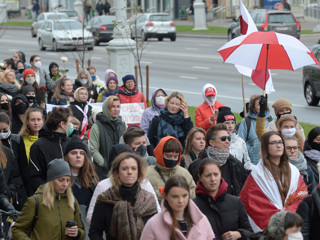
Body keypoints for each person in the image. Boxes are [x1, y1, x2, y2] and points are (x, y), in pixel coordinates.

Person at [239, 131, 308, 232]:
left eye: (280, 142)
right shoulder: (257, 174)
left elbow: (301, 197)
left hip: (293, 223)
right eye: (273, 143)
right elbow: (249, 202)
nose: (278, 145)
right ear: (265, 147)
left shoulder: (294, 171)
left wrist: (288, 214)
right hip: (268, 226)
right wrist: (278, 216)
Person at [89, 152, 158, 240]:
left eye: (133, 169)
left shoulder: (148, 200)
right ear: (117, 173)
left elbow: (155, 231)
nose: (129, 172)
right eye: (124, 169)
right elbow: (94, 232)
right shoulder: (105, 199)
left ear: (139, 173)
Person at [12, 158, 85, 240]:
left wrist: (77, 233)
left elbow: (82, 232)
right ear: (51, 180)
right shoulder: (35, 201)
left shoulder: (72, 202)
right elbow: (17, 229)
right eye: (61, 180)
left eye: (68, 180)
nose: (65, 184)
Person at [194, 158, 253, 240]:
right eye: (208, 175)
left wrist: (239, 233)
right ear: (199, 177)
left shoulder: (235, 202)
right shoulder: (193, 206)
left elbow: (249, 232)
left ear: (221, 174)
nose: (213, 179)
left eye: (216, 174)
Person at [140, 175, 215, 240]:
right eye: (175, 196)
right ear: (165, 196)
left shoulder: (202, 220)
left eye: (184, 195)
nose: (181, 201)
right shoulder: (153, 224)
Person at [188, 124, 247, 196]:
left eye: (229, 138)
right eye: (223, 138)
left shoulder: (235, 164)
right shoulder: (197, 165)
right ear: (211, 143)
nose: (227, 141)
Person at [28, 107, 73, 193]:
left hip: (71, 195)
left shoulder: (70, 143)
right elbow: (34, 176)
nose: (71, 125)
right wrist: (48, 193)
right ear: (62, 124)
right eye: (70, 122)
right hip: (48, 197)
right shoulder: (39, 146)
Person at [64, 136, 98, 240]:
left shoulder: (93, 181)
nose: (78, 156)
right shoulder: (61, 181)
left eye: (81, 153)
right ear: (67, 157)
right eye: (73, 153)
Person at [147, 136, 196, 203]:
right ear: (160, 154)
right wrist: (163, 193)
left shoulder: (184, 173)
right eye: (168, 156)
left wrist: (181, 193)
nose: (172, 159)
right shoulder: (147, 173)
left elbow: (194, 191)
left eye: (175, 156)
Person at [89, 96, 127, 180]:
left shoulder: (123, 125)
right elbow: (93, 150)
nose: (116, 109)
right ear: (106, 108)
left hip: (122, 171)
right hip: (103, 172)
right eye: (113, 107)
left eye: (118, 106)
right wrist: (106, 166)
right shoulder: (97, 126)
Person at [0, 112, 30, 195]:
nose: (2, 133)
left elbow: (23, 167)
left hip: (16, 187)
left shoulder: (17, 140)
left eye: (5, 130)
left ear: (9, 125)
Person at [238, 94, 273, 165]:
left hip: (268, 160)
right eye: (259, 105)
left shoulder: (271, 119)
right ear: (253, 107)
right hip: (252, 161)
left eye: (263, 104)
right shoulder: (247, 121)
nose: (262, 107)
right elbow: (240, 141)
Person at [217, 106, 254, 171]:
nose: (230, 126)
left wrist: (257, 169)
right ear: (220, 124)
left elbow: (247, 163)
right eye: (227, 123)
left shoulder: (240, 141)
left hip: (238, 178)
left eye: (232, 123)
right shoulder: (216, 141)